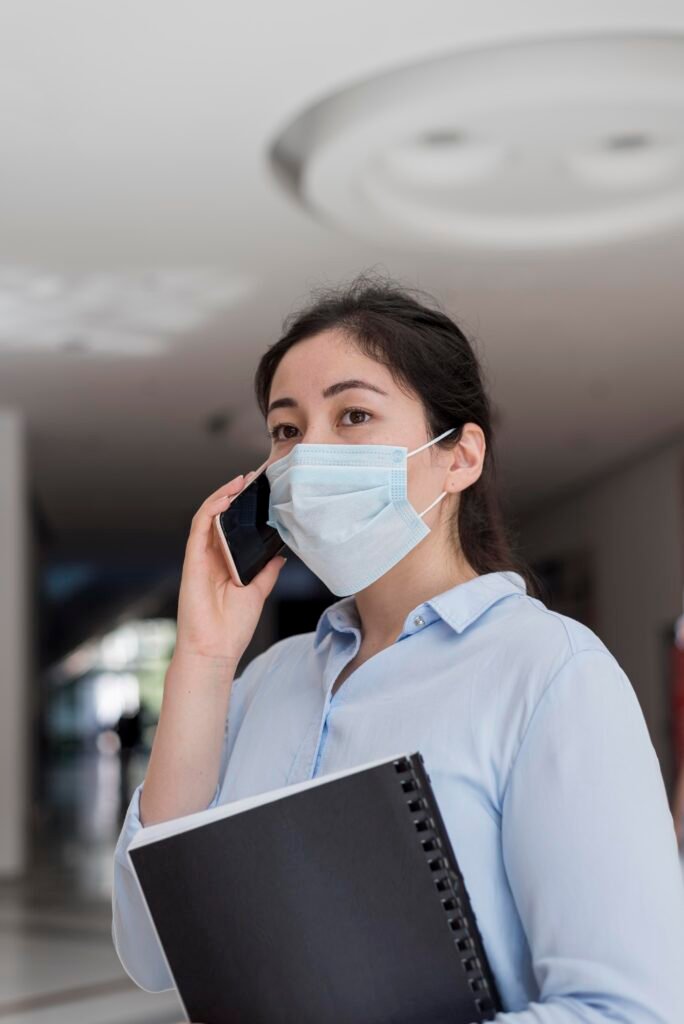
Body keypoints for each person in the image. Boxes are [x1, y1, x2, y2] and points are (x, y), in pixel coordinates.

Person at [111, 274, 684, 1022]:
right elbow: (152, 950)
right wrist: (203, 661)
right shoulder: (264, 680)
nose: (309, 453)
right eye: (286, 430)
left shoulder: (551, 672)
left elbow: (632, 1010)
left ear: (461, 457)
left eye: (353, 415)